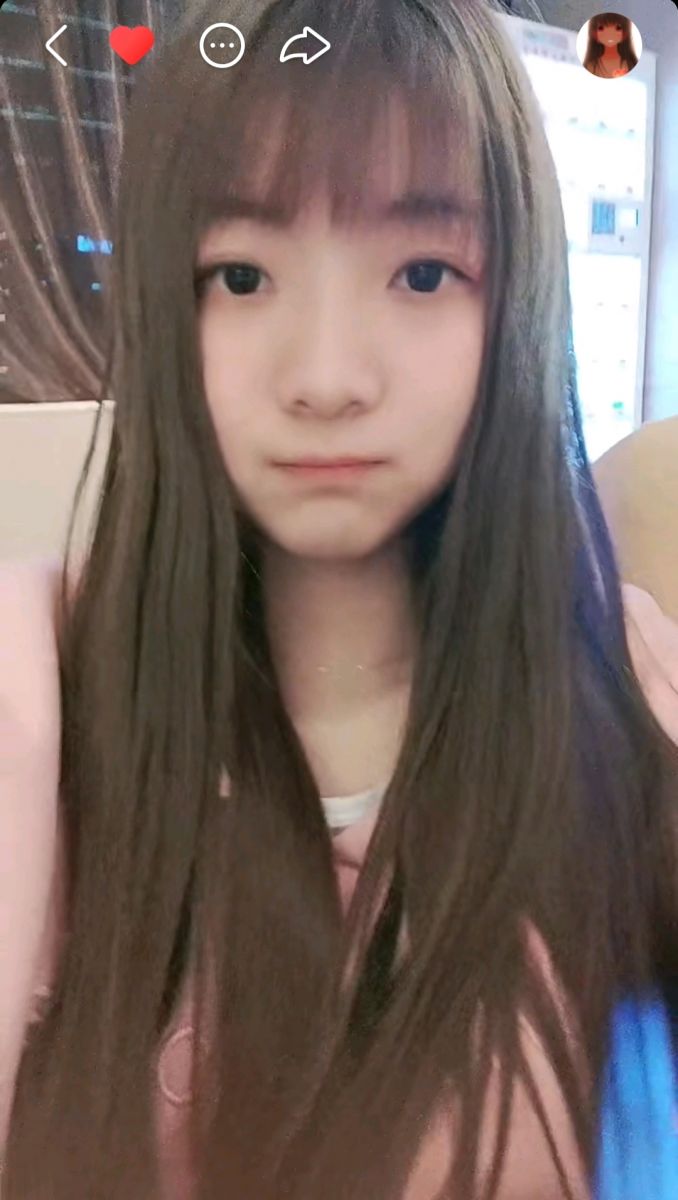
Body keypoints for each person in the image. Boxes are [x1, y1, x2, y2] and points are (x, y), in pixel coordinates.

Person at [1, 1, 677, 1198]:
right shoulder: (38, 685)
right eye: (241, 276)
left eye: (422, 273)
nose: (325, 378)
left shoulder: (619, 691)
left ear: (517, 303)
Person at [582, 13, 639, 79]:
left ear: (625, 33)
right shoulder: (591, 66)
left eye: (618, 28)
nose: (610, 34)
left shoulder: (630, 64)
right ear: (594, 33)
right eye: (601, 28)